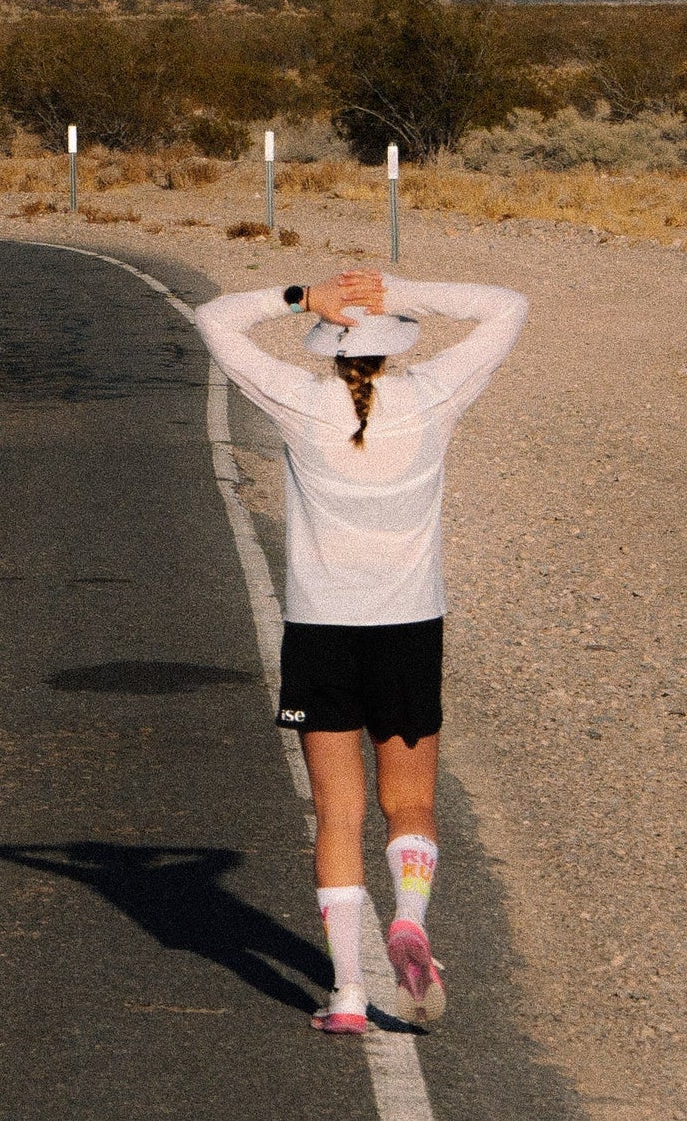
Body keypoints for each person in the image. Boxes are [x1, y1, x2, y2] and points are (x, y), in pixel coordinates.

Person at [190, 264, 528, 1035]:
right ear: (394, 343)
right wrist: (399, 289)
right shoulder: (433, 395)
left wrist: (303, 296)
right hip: (409, 627)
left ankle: (346, 995)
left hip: (321, 630)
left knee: (337, 815)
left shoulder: (300, 400)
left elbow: (213, 321)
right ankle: (409, 916)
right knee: (408, 801)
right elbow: (508, 305)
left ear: (330, 348)